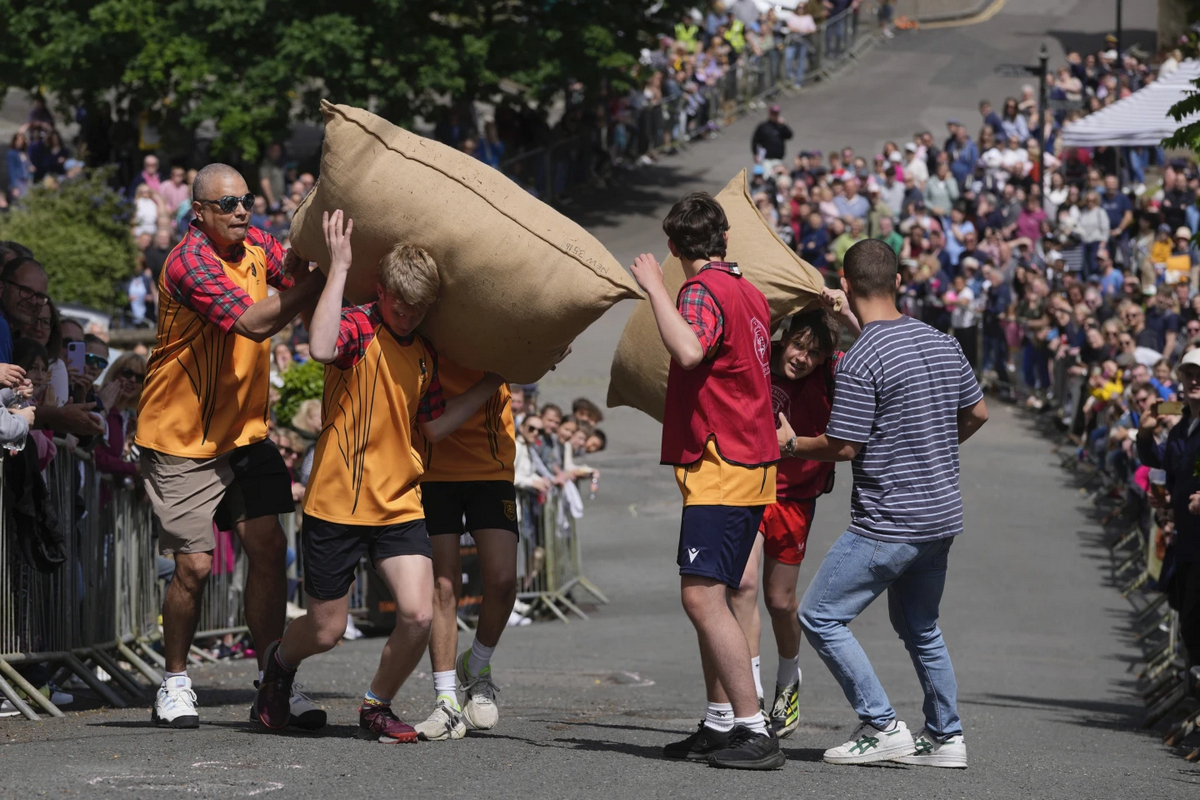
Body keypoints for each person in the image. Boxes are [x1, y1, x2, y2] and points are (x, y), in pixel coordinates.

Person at [258, 211, 504, 742]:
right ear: (382, 289)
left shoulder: (423, 352)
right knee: (325, 630)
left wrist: (494, 381)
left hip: (399, 503)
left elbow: (434, 426)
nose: (409, 315)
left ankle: (377, 706)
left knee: (417, 614)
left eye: (419, 308)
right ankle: (278, 666)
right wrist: (340, 264)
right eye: (401, 302)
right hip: (337, 501)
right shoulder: (357, 326)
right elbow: (320, 346)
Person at [135, 163, 326, 729]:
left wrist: (328, 261)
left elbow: (294, 269)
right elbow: (255, 323)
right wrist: (320, 278)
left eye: (246, 200)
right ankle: (174, 682)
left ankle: (273, 684)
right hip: (183, 438)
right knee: (193, 567)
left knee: (268, 548)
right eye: (227, 204)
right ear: (200, 212)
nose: (242, 211)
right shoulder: (189, 261)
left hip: (245, 432)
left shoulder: (255, 243)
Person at [790, 239, 988, 767]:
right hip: (940, 516)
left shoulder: (862, 359)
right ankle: (946, 737)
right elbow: (978, 412)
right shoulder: (941, 342)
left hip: (890, 520)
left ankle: (881, 724)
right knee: (922, 627)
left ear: (847, 284)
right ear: (898, 281)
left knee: (819, 615)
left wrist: (789, 442)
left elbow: (843, 445)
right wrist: (933, 447)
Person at [629, 192, 784, 770]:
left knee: (699, 596)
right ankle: (723, 721)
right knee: (719, 592)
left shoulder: (700, 291)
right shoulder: (750, 292)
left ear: (673, 247)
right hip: (751, 459)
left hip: (725, 461)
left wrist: (652, 287)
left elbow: (690, 349)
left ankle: (752, 727)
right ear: (723, 240)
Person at [730, 295, 860, 739]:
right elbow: (751, 314)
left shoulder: (834, 371)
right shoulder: (764, 354)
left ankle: (789, 680)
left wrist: (844, 316)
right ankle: (751, 694)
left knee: (780, 600)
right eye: (798, 345)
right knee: (742, 586)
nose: (803, 358)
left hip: (796, 496)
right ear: (785, 338)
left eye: (815, 352)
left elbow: (876, 344)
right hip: (749, 484)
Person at [413, 353, 521, 740]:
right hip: (432, 469)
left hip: (490, 466)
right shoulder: (428, 314)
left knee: (504, 579)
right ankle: (446, 701)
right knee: (444, 585)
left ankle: (477, 666)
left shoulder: (496, 314)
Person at [1137, 349, 1200, 698]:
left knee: (1193, 622)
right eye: (1189, 374)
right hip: (1185, 538)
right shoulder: (1183, 427)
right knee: (1184, 613)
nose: (1195, 381)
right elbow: (1167, 465)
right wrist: (1145, 437)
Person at [750, 106, 793, 175]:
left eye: (776, 114)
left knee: (779, 178)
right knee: (767, 177)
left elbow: (790, 136)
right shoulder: (763, 126)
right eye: (773, 114)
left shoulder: (781, 127)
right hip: (765, 159)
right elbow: (755, 141)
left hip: (778, 159)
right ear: (770, 114)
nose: (775, 116)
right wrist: (756, 154)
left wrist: (784, 125)